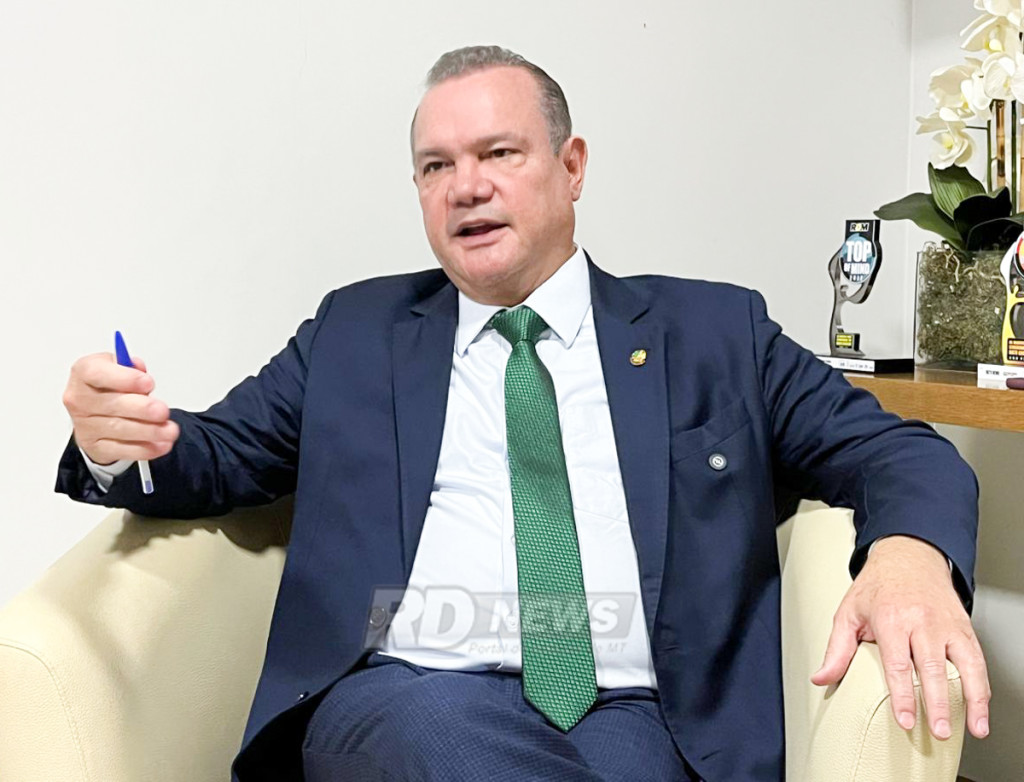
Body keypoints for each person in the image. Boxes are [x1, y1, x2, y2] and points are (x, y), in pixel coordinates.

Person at [57, 46, 990, 781]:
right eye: (436, 166)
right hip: (406, 699)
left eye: (498, 153)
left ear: (570, 166)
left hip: (642, 719)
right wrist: (118, 442)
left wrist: (909, 556)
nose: (465, 186)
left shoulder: (713, 332)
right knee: (434, 732)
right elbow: (217, 454)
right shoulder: (355, 333)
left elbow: (897, 451)